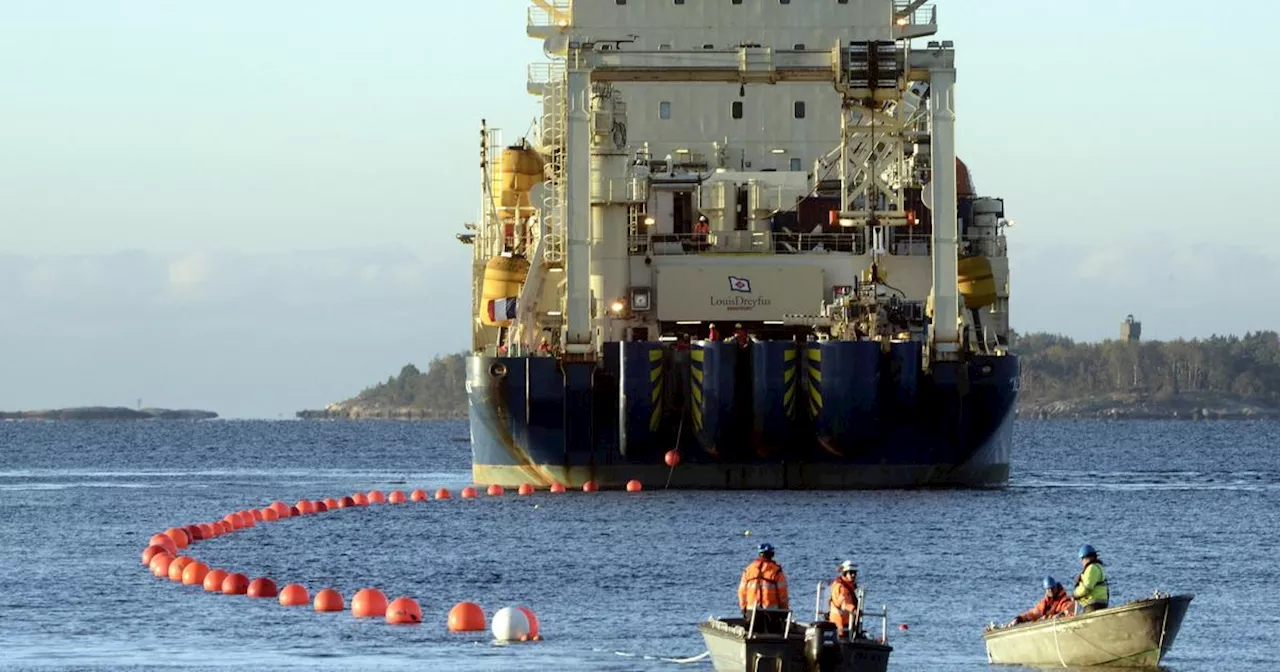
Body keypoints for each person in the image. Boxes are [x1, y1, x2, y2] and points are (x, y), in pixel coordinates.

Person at [738, 543, 790, 631]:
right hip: (772, 612)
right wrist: (784, 610)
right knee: (774, 634)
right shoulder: (776, 571)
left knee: (752, 632)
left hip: (752, 611)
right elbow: (783, 594)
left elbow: (742, 592)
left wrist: (743, 608)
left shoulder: (749, 570)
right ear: (771, 554)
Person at [1010, 577, 1074, 625]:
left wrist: (1047, 617)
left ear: (1056, 587)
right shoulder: (1045, 603)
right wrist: (1020, 618)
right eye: (1048, 589)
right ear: (1046, 590)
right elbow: (1033, 613)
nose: (1051, 591)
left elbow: (1068, 613)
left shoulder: (1065, 600)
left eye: (1052, 588)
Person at [1073, 544, 1109, 613]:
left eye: (1082, 559)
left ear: (1086, 558)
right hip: (1102, 602)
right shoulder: (1099, 567)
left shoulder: (1091, 568)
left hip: (1093, 603)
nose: (1082, 562)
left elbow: (1087, 588)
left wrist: (1075, 594)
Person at [828, 560, 860, 637]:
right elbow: (843, 604)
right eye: (851, 573)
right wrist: (854, 610)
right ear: (845, 573)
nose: (853, 575)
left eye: (854, 573)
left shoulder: (849, 587)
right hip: (840, 624)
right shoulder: (840, 587)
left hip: (848, 622)